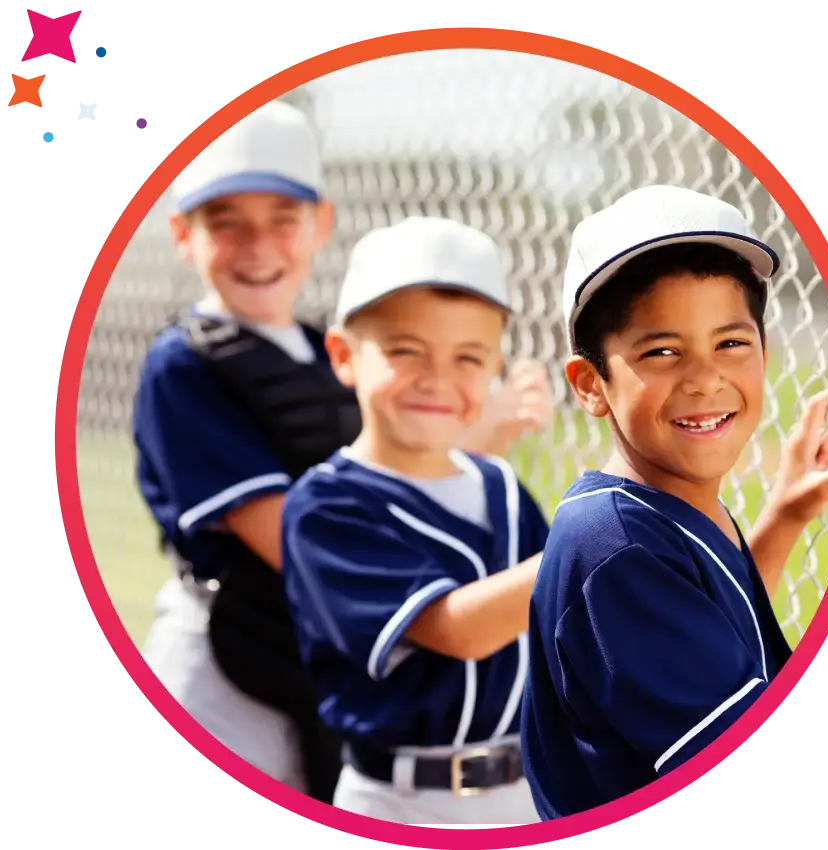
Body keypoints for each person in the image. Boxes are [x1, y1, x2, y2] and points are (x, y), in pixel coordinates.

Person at [131, 101, 554, 801]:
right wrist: (479, 435)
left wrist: (465, 440)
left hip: (331, 648)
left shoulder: (316, 350)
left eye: (282, 220)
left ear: (319, 225)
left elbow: (394, 473)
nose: (257, 246)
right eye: (225, 221)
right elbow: (292, 534)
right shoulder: (184, 363)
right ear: (183, 233)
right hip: (227, 654)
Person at [519, 185, 828, 821]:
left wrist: (785, 515)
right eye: (662, 352)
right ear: (591, 385)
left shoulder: (665, 511)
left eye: (731, 343)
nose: (705, 377)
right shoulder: (614, 547)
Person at [280, 216, 552, 824]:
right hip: (399, 802)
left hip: (527, 792)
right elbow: (458, 630)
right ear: (344, 355)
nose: (438, 378)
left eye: (469, 357)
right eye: (405, 350)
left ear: (494, 369)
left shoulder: (502, 489)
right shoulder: (325, 508)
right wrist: (597, 539)